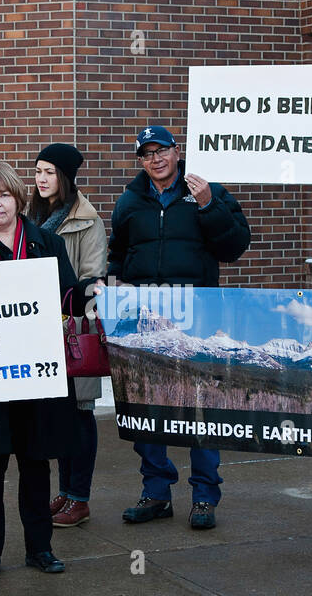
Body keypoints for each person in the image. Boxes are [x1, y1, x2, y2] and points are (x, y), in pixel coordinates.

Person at [0, 161, 89, 577]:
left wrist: (91, 289)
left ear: (18, 198)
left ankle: (39, 548)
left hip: (36, 373)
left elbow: (69, 300)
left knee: (36, 463)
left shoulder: (46, 242)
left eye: (3, 195)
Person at [106, 125, 251, 530]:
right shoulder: (130, 201)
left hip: (198, 316)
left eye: (162, 150)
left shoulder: (208, 191)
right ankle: (156, 493)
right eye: (147, 153)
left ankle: (204, 497)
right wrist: (112, 285)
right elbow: (119, 253)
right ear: (140, 160)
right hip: (144, 320)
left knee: (201, 409)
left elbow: (235, 246)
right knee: (146, 410)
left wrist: (207, 205)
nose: (156, 159)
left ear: (177, 151)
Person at [25, 143, 107, 528]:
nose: (41, 179)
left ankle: (81, 497)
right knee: (57, 414)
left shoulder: (87, 220)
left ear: (66, 177)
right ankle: (65, 490)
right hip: (36, 328)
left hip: (72, 329)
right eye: (38, 171)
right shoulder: (31, 214)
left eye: (49, 172)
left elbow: (94, 279)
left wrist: (66, 299)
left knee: (80, 414)